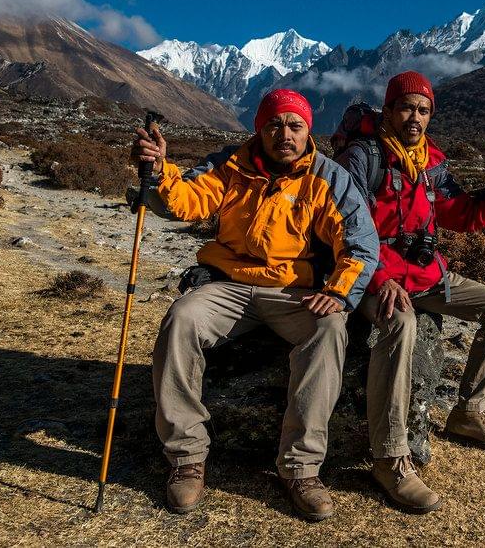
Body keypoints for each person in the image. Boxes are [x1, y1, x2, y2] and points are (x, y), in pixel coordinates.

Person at [131, 89, 378, 521]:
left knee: (329, 329)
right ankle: (186, 456)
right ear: (260, 129)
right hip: (229, 284)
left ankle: (301, 468)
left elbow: (360, 244)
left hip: (291, 290)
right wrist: (159, 171)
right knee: (182, 319)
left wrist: (338, 292)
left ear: (308, 131)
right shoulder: (230, 165)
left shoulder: (328, 177)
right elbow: (187, 200)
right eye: (275, 125)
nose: (285, 134)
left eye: (295, 125)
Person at [337, 71, 485, 513]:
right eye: (406, 108)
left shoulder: (431, 164)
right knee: (399, 324)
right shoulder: (363, 159)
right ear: (387, 111)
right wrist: (381, 278)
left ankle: (470, 413)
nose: (415, 117)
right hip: (371, 275)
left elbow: (463, 213)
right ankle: (390, 456)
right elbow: (348, 226)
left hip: (426, 276)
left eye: (423, 110)